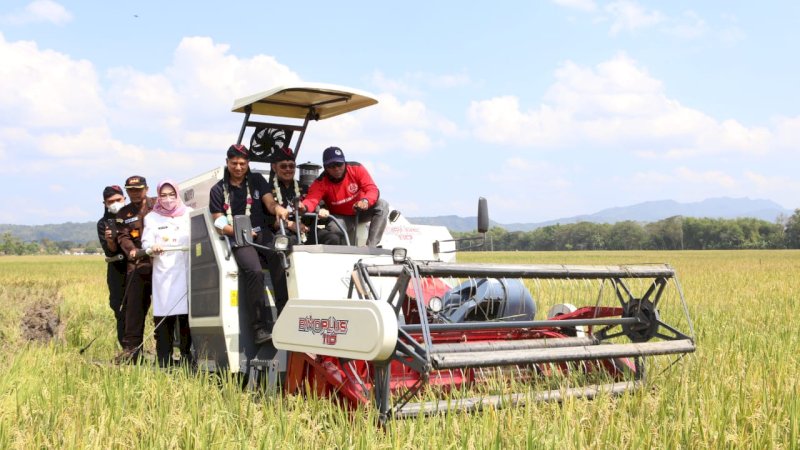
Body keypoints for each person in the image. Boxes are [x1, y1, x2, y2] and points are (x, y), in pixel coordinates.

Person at [208, 144, 278, 345]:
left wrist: (278, 208)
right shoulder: (218, 189)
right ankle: (259, 328)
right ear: (227, 162)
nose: (238, 167)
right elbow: (219, 222)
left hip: (262, 233)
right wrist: (240, 232)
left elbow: (269, 203)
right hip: (239, 237)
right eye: (234, 163)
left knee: (280, 257)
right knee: (254, 271)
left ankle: (285, 313)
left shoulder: (256, 180)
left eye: (242, 163)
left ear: (248, 164)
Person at [142, 180, 193, 367]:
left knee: (186, 316)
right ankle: (164, 358)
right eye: (163, 195)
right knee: (165, 315)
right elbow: (146, 243)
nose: (168, 199)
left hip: (186, 268)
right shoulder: (152, 218)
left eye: (171, 194)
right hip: (164, 271)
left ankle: (188, 356)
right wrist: (151, 247)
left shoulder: (188, 214)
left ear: (177, 194)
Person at [297, 146, 389, 247]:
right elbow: (311, 200)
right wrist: (303, 207)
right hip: (341, 218)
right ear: (325, 167)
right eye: (331, 166)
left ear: (344, 162)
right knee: (332, 230)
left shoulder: (356, 168)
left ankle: (371, 247)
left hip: (362, 211)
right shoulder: (320, 182)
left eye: (339, 164)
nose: (336, 168)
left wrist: (365, 201)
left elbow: (372, 189)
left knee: (382, 204)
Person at [114, 175, 155, 364]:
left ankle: (165, 348)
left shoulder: (158, 205)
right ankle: (131, 351)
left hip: (162, 266)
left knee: (167, 309)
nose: (135, 193)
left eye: (139, 189)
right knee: (134, 310)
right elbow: (122, 237)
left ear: (146, 189)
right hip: (138, 266)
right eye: (131, 190)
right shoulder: (123, 214)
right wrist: (133, 251)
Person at [265, 147, 343, 246]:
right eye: (284, 166)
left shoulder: (305, 188)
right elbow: (265, 219)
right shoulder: (267, 190)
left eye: (291, 166)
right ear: (274, 167)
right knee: (288, 240)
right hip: (283, 231)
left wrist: (322, 211)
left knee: (333, 238)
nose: (288, 169)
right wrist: (289, 224)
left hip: (307, 231)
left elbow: (316, 207)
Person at [96, 185, 127, 348]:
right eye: (111, 201)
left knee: (139, 310)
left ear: (124, 199)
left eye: (118, 200)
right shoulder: (103, 224)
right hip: (117, 270)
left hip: (138, 268)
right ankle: (129, 352)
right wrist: (110, 240)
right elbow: (110, 252)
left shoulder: (133, 217)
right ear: (105, 204)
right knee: (120, 310)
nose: (115, 204)